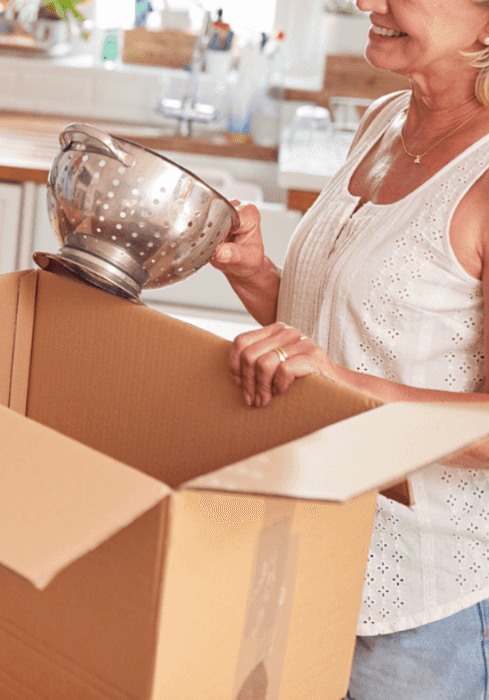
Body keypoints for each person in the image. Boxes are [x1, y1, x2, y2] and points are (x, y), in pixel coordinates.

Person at [211, 0, 489, 696]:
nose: (368, 2)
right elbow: (347, 340)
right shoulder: (382, 123)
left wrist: (338, 381)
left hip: (424, 607)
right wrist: (256, 276)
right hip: (308, 552)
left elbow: (345, 377)